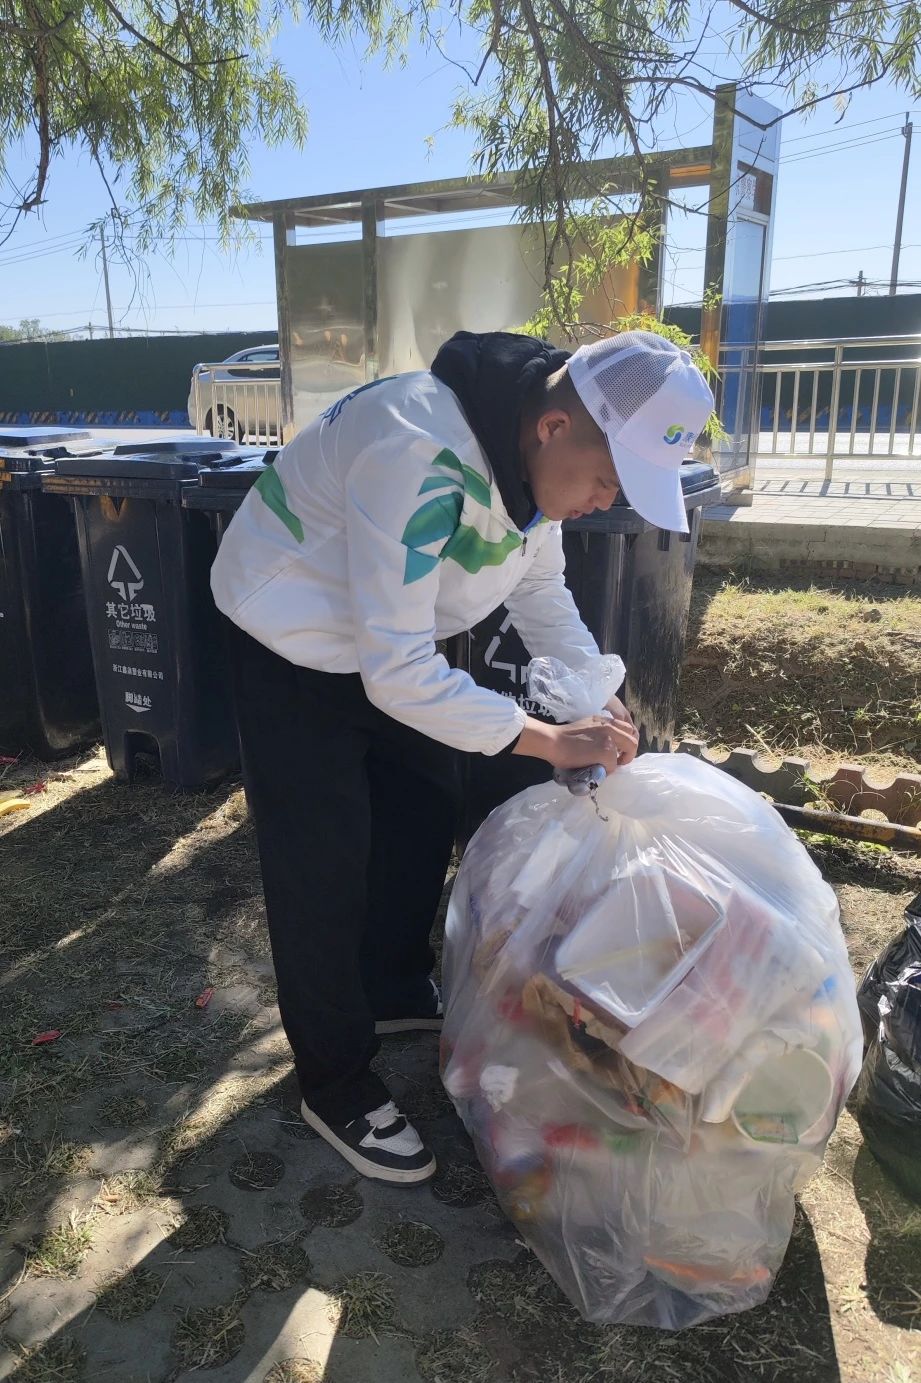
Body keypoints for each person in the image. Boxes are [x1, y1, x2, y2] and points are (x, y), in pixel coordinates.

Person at [211, 328, 714, 1184]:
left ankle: (391, 985)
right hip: (289, 634)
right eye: (607, 479)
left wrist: (593, 695)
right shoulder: (415, 446)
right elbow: (400, 674)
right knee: (322, 861)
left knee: (424, 802)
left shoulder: (529, 465)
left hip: (391, 636)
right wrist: (548, 738)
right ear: (553, 426)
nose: (604, 501)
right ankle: (334, 1079)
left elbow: (537, 586)